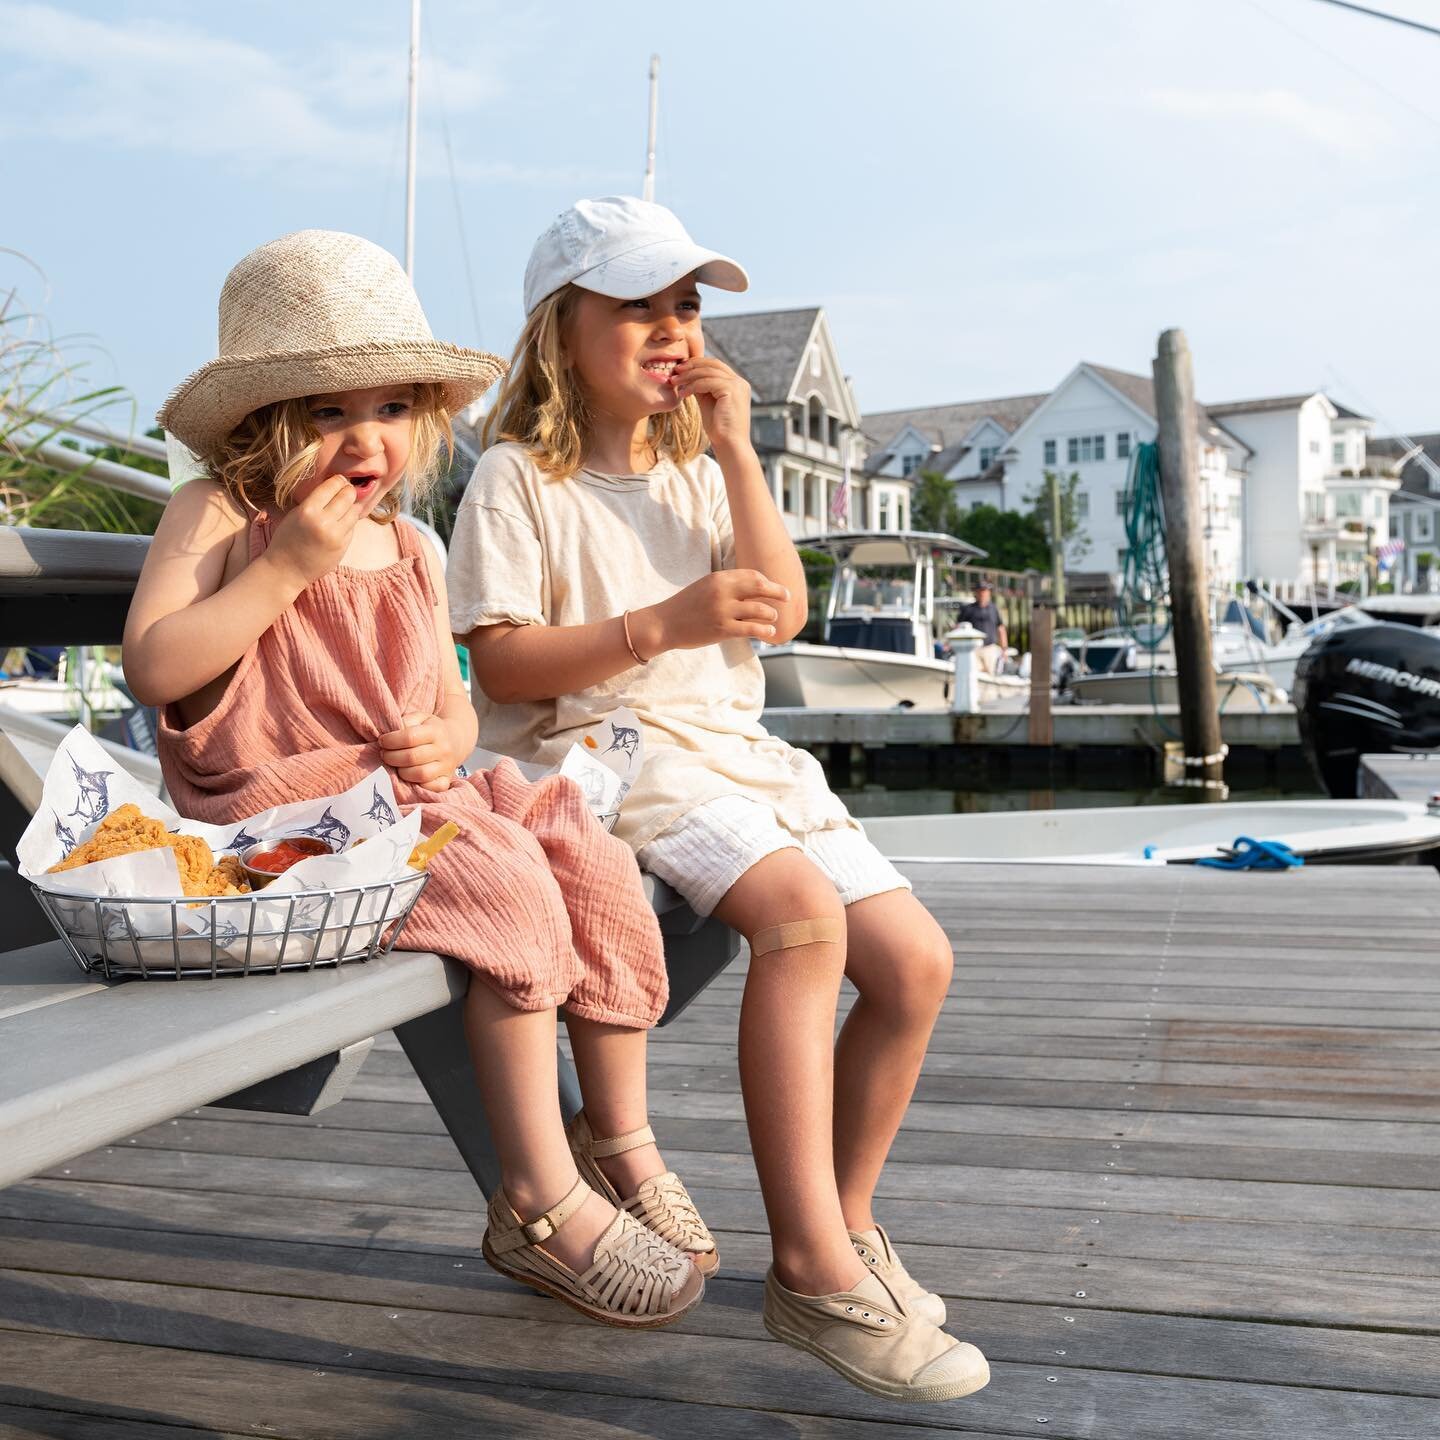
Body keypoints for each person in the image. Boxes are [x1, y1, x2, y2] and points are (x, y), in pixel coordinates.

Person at [449, 197, 989, 1403]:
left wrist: (741, 451)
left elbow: (783, 611)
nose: (671, 329)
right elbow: (501, 663)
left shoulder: (700, 469)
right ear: (561, 327)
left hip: (741, 751)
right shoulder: (515, 478)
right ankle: (807, 1264)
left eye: (685, 306)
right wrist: (661, 623)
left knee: (916, 965)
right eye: (637, 305)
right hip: (617, 752)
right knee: (802, 919)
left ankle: (842, 1237)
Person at [122, 230, 712, 1330]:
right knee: (503, 882)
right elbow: (156, 666)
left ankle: (618, 1140)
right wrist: (287, 566)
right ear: (262, 426)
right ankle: (533, 1199)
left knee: (580, 846)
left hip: (395, 800)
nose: (367, 440)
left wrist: (444, 737)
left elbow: (448, 695)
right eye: (331, 413)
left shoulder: (414, 548)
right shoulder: (222, 518)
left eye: (392, 411)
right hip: (273, 812)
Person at [956, 581, 1007, 675]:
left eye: (984, 591)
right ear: (976, 592)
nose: (982, 593)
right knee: (973, 675)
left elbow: (1001, 628)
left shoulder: (993, 609)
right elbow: (958, 627)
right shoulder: (968, 609)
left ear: (989, 592)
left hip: (990, 648)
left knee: (991, 675)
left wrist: (1004, 649)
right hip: (973, 649)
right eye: (980, 591)